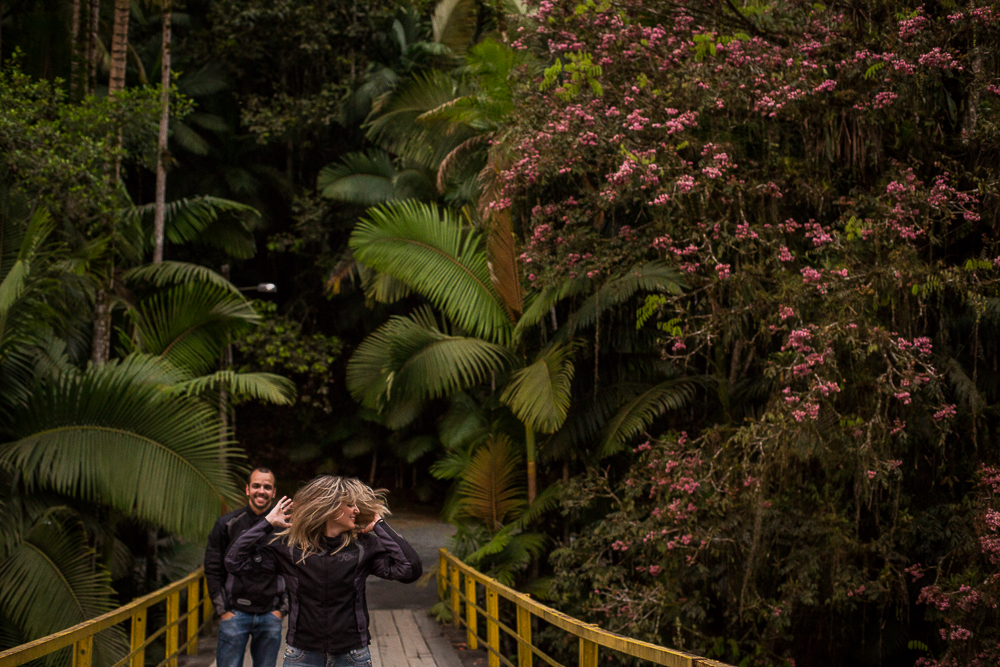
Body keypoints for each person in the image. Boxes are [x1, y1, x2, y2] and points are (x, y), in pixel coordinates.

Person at [224, 476, 422, 667]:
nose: (357, 510)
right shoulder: (291, 548)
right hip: (302, 654)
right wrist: (266, 523)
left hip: (352, 654)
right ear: (331, 508)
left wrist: (380, 526)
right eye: (350, 504)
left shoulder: (362, 546)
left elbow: (410, 570)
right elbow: (234, 561)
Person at [204, 467, 287, 667]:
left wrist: (282, 609)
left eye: (267, 487)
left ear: (274, 492)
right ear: (247, 489)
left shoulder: (286, 527)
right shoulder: (227, 524)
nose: (262, 491)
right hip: (235, 613)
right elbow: (213, 568)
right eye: (256, 486)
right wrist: (223, 610)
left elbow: (294, 569)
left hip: (270, 613)